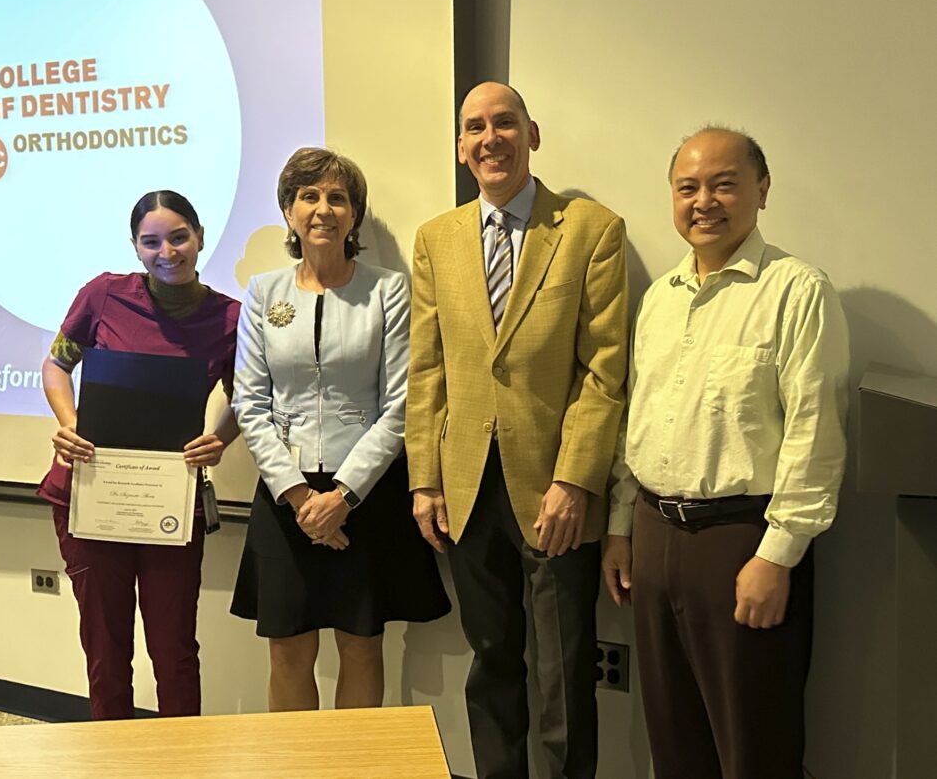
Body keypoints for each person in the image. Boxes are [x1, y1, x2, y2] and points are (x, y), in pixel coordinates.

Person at [603, 127, 849, 779]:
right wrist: (621, 527)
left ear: (761, 190)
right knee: (672, 741)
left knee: (754, 746)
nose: (703, 201)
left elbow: (816, 435)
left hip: (743, 542)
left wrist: (778, 555)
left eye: (724, 185)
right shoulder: (659, 299)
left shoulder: (796, 290)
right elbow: (636, 421)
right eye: (688, 187)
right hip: (655, 534)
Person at [406, 82, 629, 779]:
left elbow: (604, 370)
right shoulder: (435, 238)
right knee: (491, 662)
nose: (489, 138)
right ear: (460, 147)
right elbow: (427, 369)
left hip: (555, 493)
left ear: (532, 134)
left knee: (564, 671)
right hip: (468, 489)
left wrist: (575, 480)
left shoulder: (591, 229)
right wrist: (424, 481)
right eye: (474, 128)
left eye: (504, 123)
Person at [230, 147, 450, 712]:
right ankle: (296, 761)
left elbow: (400, 405)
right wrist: (302, 499)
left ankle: (356, 760)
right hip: (286, 496)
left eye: (337, 198)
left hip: (366, 495)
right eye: (309, 196)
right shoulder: (263, 293)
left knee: (361, 647)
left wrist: (343, 497)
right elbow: (249, 403)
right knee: (288, 651)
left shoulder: (388, 290)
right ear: (289, 211)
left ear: (354, 216)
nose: (323, 209)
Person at [37, 189, 240, 720]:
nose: (166, 253)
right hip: (92, 495)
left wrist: (221, 438)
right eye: (151, 242)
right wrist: (71, 424)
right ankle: (113, 757)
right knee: (105, 652)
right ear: (135, 247)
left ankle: (183, 758)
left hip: (169, 502)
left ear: (200, 237)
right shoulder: (103, 295)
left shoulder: (230, 319)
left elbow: (248, 399)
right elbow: (56, 365)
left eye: (179, 237)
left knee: (175, 652)